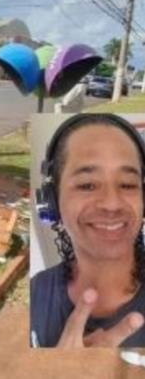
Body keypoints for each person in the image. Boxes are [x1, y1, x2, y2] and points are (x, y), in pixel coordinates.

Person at [31, 113, 145, 347]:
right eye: (87, 185)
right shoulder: (35, 292)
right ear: (51, 203)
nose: (111, 204)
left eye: (127, 184)